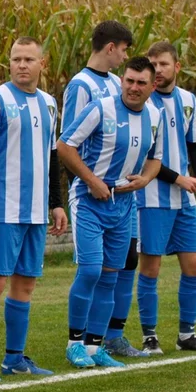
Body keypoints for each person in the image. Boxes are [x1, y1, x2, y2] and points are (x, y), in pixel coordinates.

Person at [0, 37, 68, 381]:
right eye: (16, 59)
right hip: (3, 212)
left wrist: (56, 203)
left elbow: (51, 156)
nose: (22, 65)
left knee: (25, 286)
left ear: (43, 64)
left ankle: (14, 358)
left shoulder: (50, 104)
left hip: (36, 213)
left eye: (28, 59)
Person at [57, 56, 163, 369]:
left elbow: (156, 158)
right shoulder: (101, 108)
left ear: (152, 86)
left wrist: (145, 179)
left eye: (141, 82)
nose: (133, 87)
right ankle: (74, 344)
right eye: (129, 80)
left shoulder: (154, 116)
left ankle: (94, 347)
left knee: (109, 277)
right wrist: (91, 180)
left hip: (123, 204)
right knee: (90, 270)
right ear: (122, 81)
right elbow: (65, 145)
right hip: (89, 200)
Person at [133, 41, 196, 353]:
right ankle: (149, 337)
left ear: (176, 67)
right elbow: (142, 156)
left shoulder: (188, 100)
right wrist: (180, 178)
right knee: (151, 268)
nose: (156, 70)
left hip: (184, 200)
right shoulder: (143, 102)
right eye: (152, 64)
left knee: (194, 265)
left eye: (163, 64)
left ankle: (187, 335)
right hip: (152, 196)